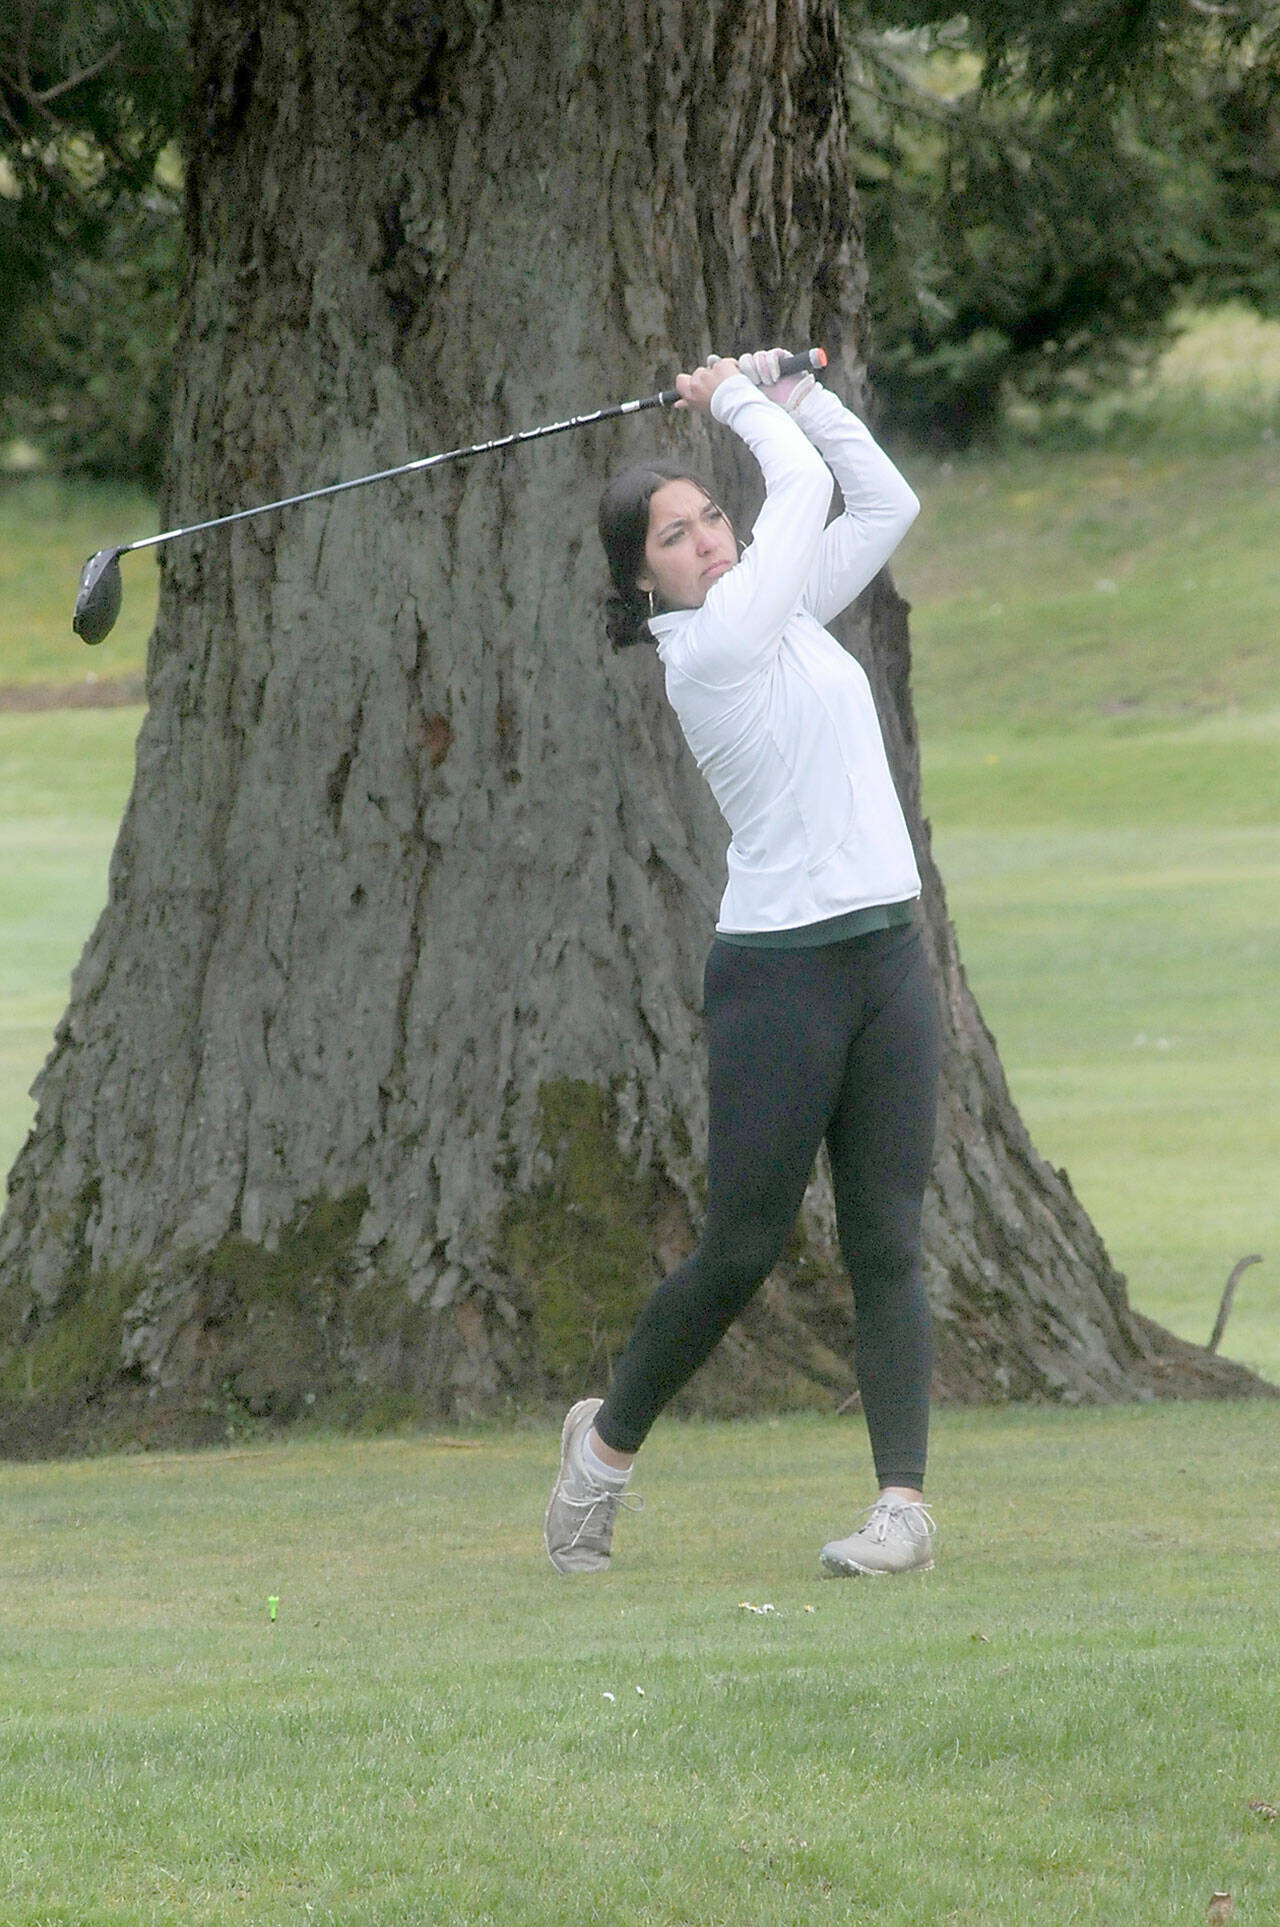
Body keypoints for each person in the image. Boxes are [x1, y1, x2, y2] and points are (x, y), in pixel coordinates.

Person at [544, 349, 940, 1579]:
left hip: (886, 952)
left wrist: (802, 400)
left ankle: (899, 1511)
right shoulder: (707, 650)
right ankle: (599, 1458)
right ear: (642, 578)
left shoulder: (779, 616)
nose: (708, 540)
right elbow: (804, 501)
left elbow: (879, 505)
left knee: (886, 1237)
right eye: (676, 534)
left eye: (712, 518)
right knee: (740, 1248)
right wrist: (732, 403)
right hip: (779, 974)